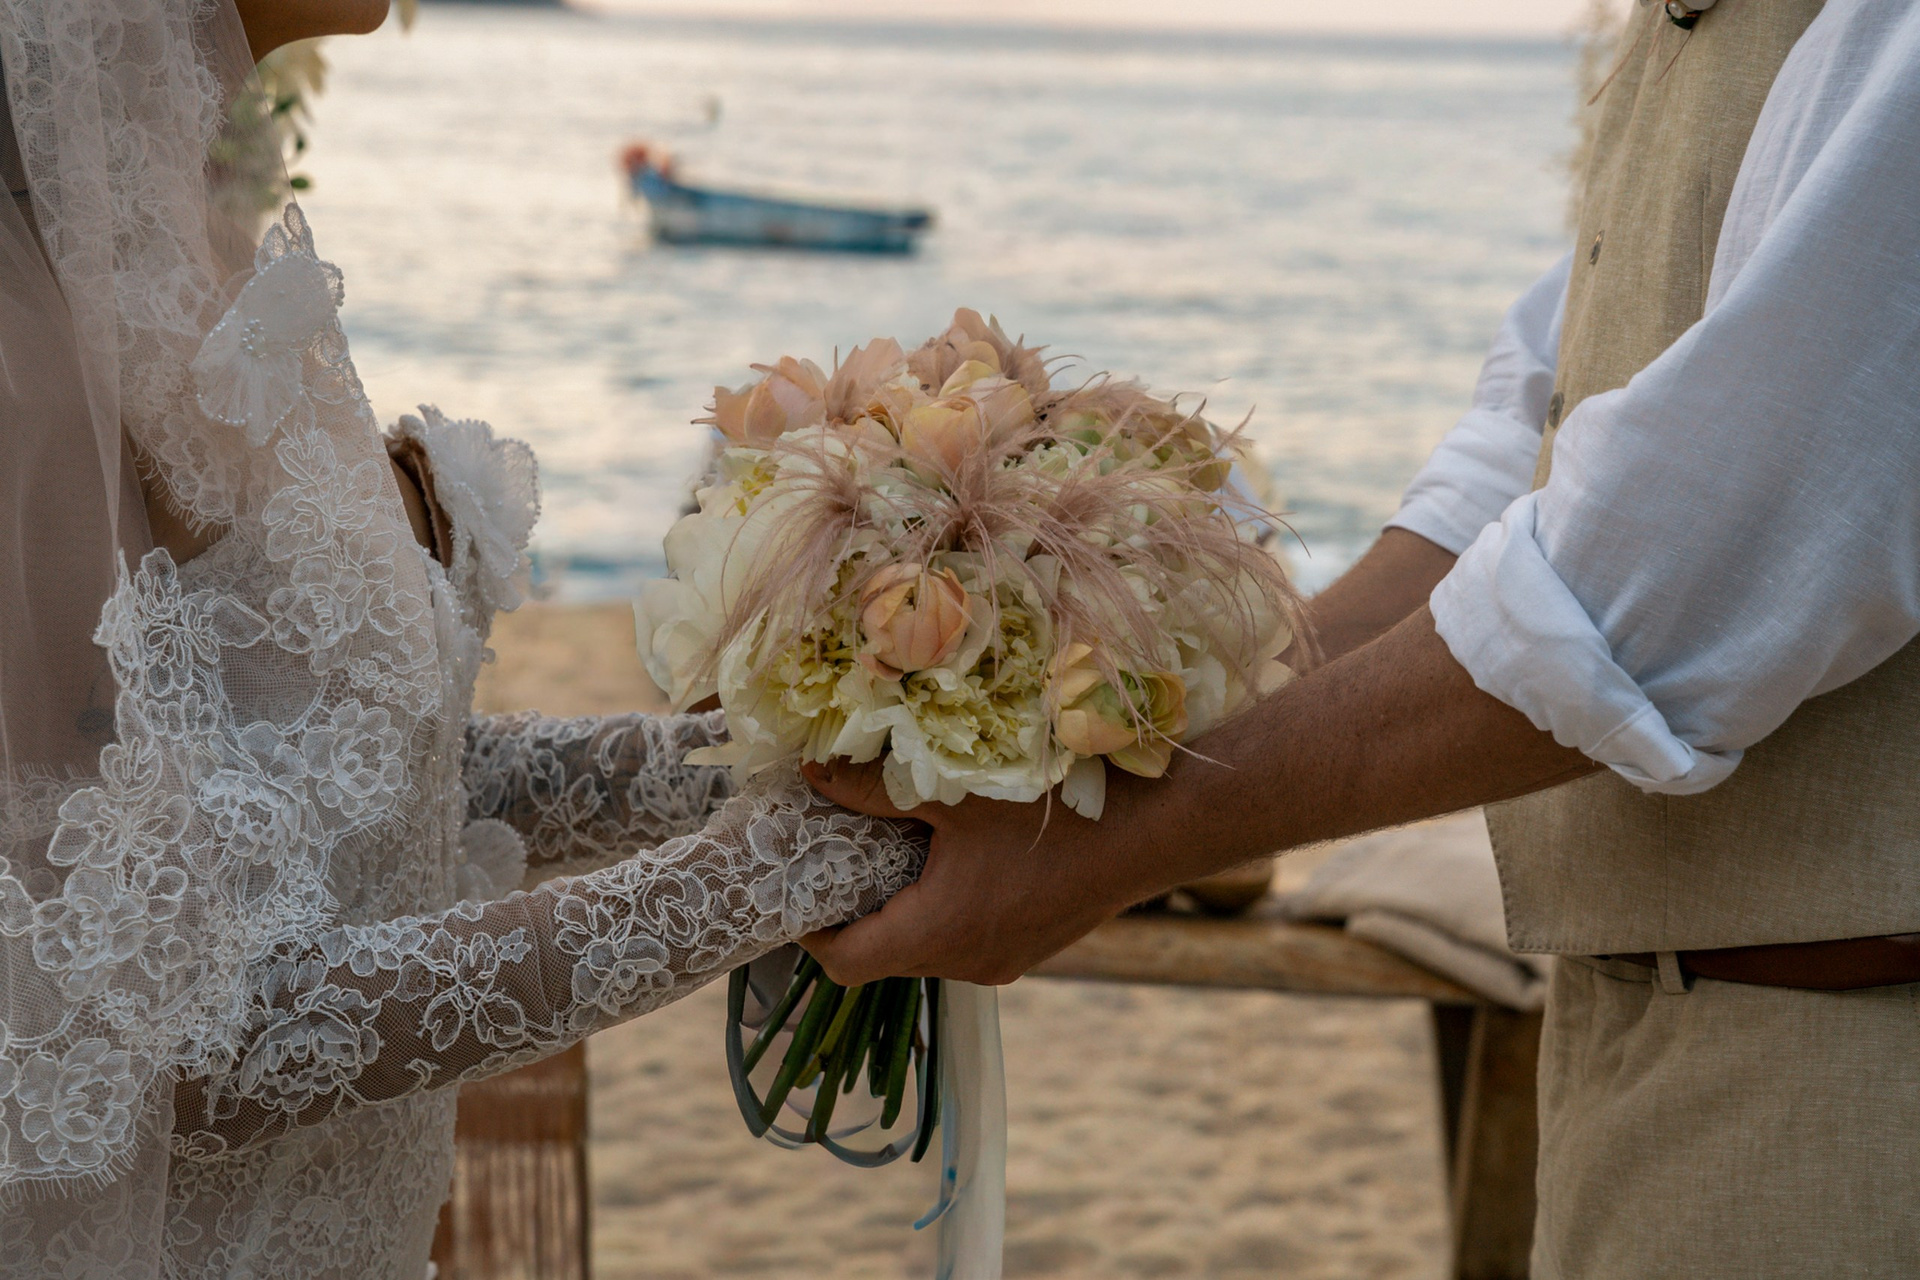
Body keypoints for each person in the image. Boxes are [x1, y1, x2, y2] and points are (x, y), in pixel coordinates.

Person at [806, 2, 1920, 1274]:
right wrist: (1158, 711)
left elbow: (1693, 552)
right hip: (1639, 1036)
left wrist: (1124, 833)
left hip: (1857, 1066)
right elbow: (1541, 433)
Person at [0, 1, 924, 1276]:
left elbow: (350, 794)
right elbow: (142, 1031)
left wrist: (790, 754)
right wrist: (769, 874)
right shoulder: (25, 337)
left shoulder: (169, 237)